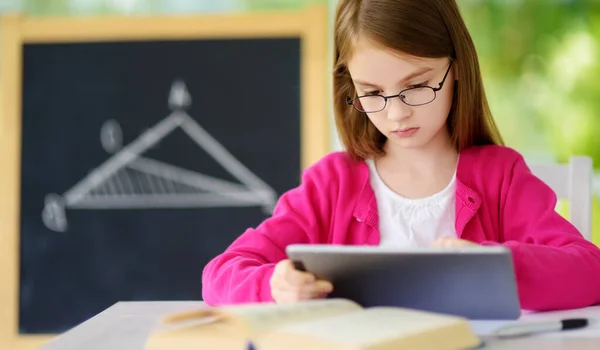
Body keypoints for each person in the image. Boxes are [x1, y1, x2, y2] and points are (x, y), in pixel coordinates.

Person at [202, 0, 600, 311]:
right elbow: (219, 275)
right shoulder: (331, 184)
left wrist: (495, 265)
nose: (396, 113)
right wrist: (275, 285)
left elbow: (590, 270)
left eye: (417, 86)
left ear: (455, 68)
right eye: (372, 93)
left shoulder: (501, 176)